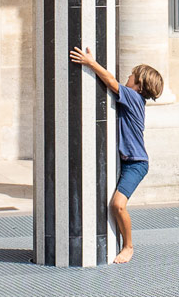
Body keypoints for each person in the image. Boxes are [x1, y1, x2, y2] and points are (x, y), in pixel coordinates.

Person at [68, 46, 160, 264]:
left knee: (118, 204)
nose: (127, 77)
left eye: (131, 76)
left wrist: (90, 62)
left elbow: (110, 81)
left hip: (136, 163)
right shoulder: (131, 99)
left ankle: (128, 246)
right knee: (115, 204)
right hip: (125, 161)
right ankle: (120, 241)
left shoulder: (134, 99)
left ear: (139, 86)